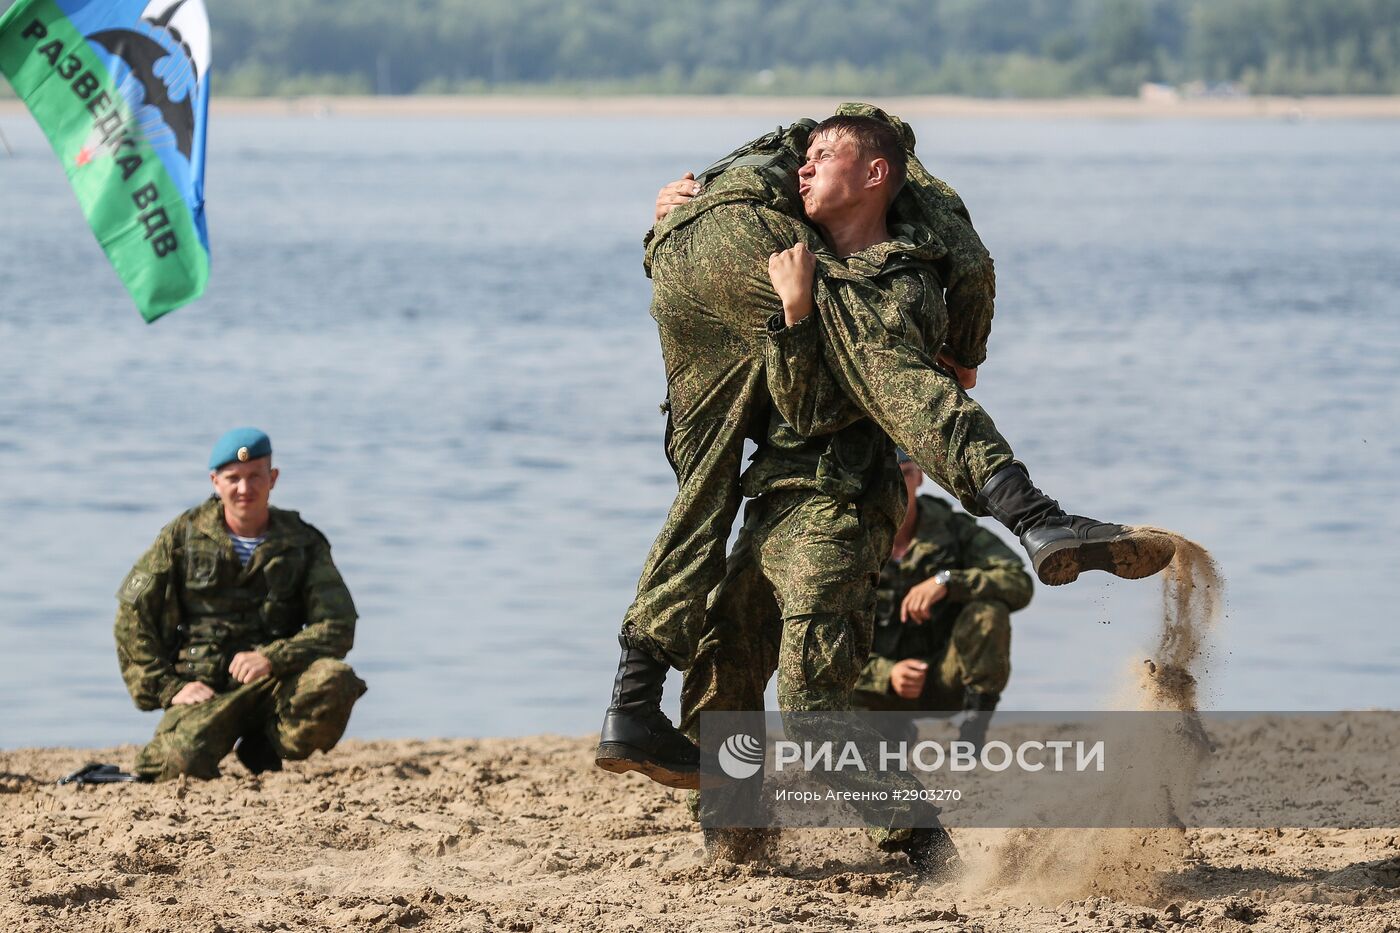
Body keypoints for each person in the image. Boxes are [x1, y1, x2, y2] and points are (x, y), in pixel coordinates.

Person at [599, 110, 1175, 817]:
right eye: (803, 157)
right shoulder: (799, 246)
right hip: (770, 498)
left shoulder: (899, 284)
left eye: (823, 157)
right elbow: (796, 399)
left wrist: (808, 312)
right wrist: (680, 214)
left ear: (875, 176)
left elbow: (898, 382)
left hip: (836, 505)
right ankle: (735, 824)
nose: (803, 168)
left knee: (813, 709)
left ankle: (919, 837)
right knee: (724, 668)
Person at [114, 428, 367, 781]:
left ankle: (265, 745)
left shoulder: (303, 543)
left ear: (273, 478)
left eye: (255, 477)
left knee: (335, 681)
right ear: (215, 482)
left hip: (275, 683)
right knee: (173, 765)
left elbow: (338, 625)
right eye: (233, 478)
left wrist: (272, 658)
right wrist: (168, 688)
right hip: (206, 688)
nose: (245, 489)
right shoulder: (181, 536)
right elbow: (132, 611)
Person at [851, 454, 1033, 753]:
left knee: (989, 610)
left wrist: (948, 583)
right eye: (888, 475)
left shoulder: (952, 530)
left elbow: (1018, 582)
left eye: (906, 473)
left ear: (919, 476)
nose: (898, 485)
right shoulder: (849, 540)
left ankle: (974, 724)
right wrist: (887, 675)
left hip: (942, 680)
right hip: (869, 688)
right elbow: (823, 638)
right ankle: (893, 730)